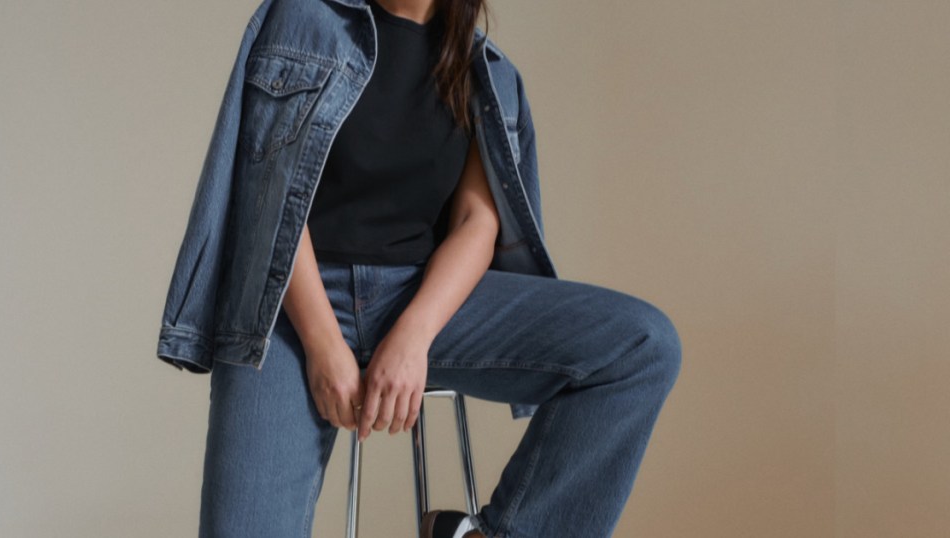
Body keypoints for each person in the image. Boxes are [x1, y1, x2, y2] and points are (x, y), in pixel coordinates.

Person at [173, 1, 682, 536]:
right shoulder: (305, 21)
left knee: (643, 346)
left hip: (419, 299)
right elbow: (270, 198)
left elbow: (475, 224)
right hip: (287, 308)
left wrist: (413, 336)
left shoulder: (484, 70)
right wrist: (325, 347)